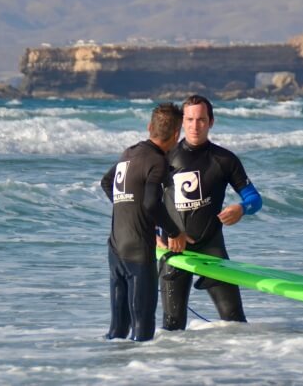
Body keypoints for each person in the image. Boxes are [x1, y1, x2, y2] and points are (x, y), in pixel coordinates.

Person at [159, 94, 263, 330]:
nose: (195, 126)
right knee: (172, 327)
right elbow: (147, 202)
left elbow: (254, 198)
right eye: (190, 120)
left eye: (201, 120)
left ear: (211, 122)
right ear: (182, 123)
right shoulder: (165, 158)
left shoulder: (224, 159)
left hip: (211, 247)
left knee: (236, 322)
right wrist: (155, 234)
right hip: (174, 248)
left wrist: (241, 208)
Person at [100, 102, 188, 342]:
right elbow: (151, 203)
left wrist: (127, 207)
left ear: (150, 127)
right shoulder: (157, 161)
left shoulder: (128, 153)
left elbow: (107, 182)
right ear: (177, 134)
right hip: (138, 251)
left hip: (115, 247)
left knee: (117, 328)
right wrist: (174, 232)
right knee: (142, 327)